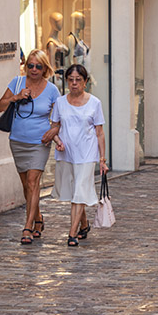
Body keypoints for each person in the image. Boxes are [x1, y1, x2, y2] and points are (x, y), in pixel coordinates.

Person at [0, 49, 60, 245]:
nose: (33, 69)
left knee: (33, 183)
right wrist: (15, 97)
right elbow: (0, 106)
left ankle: (27, 227)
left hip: (39, 142)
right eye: (30, 65)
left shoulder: (52, 90)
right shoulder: (16, 83)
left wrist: (53, 130)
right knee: (26, 186)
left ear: (45, 69)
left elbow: (60, 116)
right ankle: (38, 217)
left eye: (38, 66)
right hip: (18, 140)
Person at [48, 64, 108, 247]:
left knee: (79, 193)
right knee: (74, 192)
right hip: (67, 153)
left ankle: (71, 233)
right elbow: (54, 127)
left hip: (87, 153)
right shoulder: (60, 102)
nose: (74, 84)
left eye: (78, 80)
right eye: (71, 80)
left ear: (85, 82)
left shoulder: (94, 103)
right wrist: (57, 141)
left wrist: (102, 159)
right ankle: (83, 224)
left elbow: (99, 132)